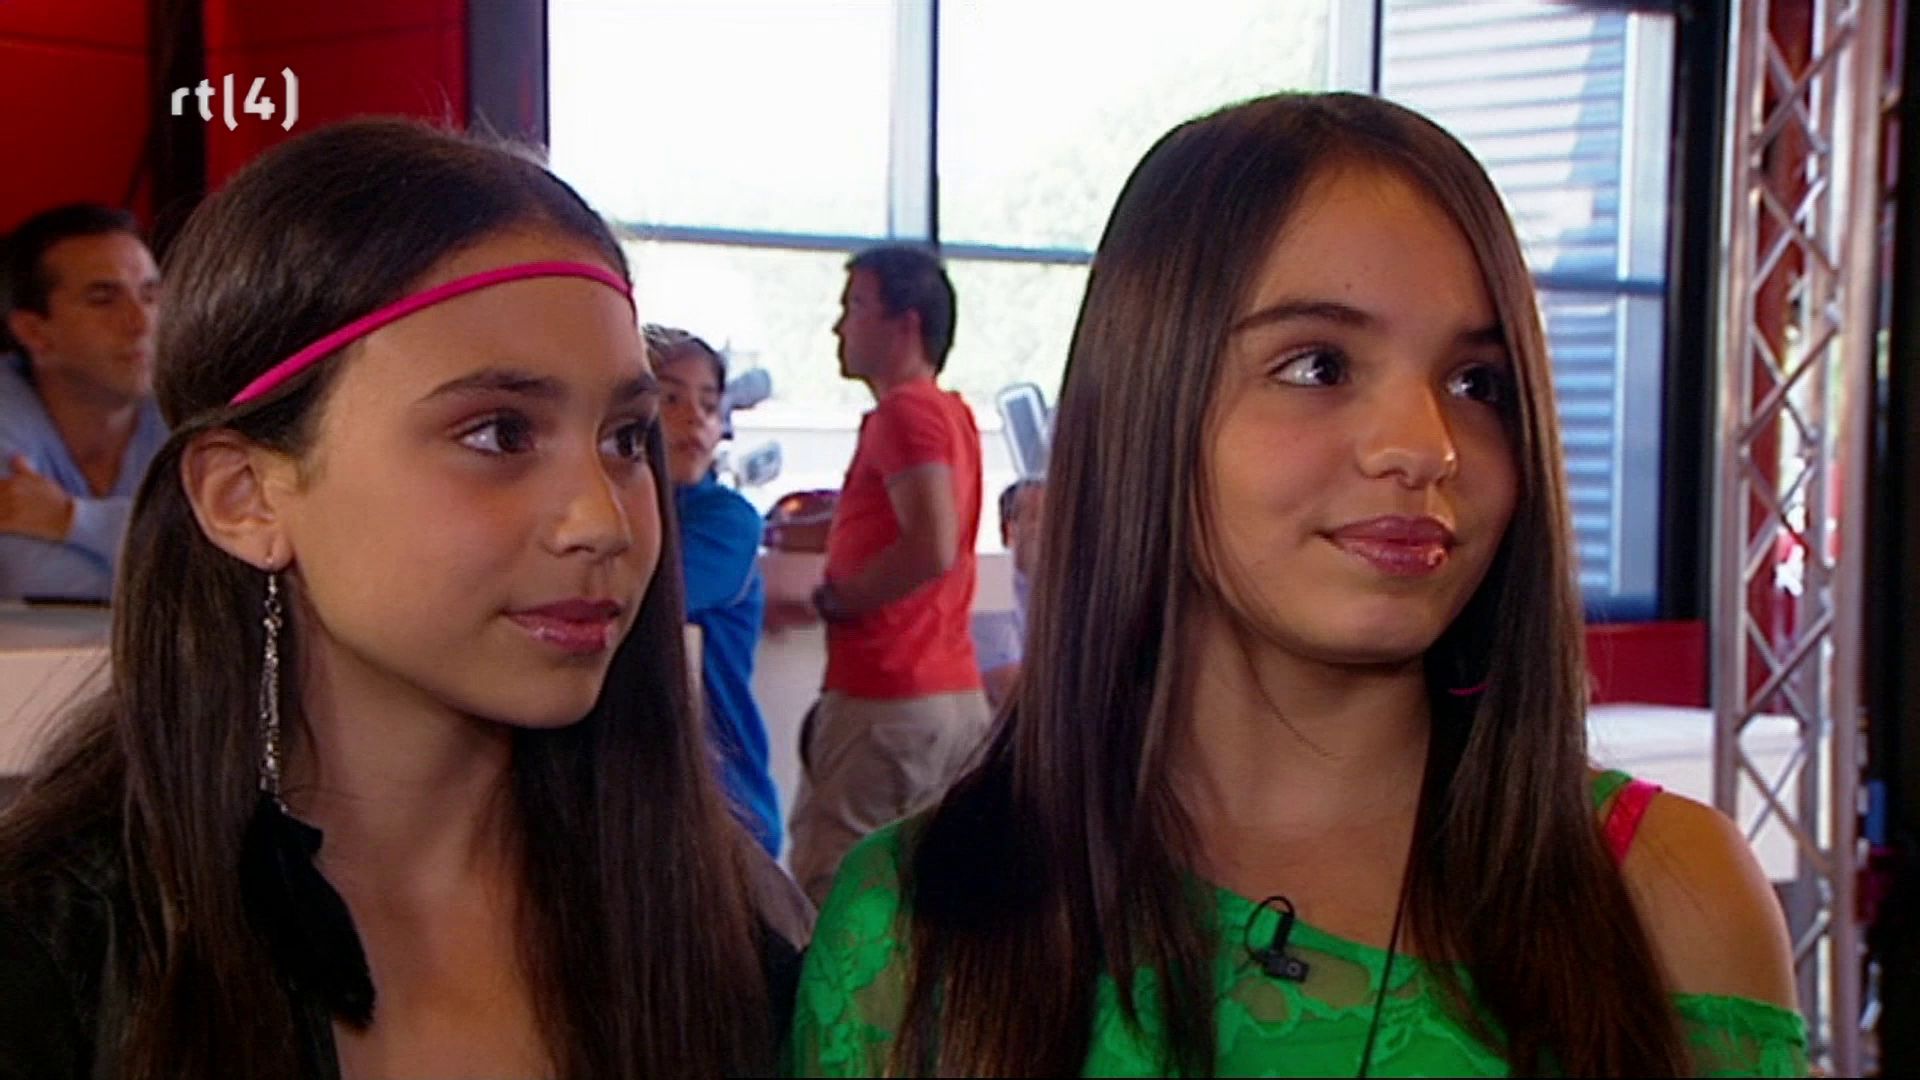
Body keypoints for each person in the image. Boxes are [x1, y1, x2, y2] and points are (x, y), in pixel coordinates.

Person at [790, 92, 1804, 1076]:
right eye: (1319, 366)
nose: (1425, 447)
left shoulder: (1670, 898)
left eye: (1477, 383)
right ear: (1147, 403)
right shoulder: (912, 926)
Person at [0, 119, 805, 1079]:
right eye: (500, 433)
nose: (603, 519)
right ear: (246, 496)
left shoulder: (728, 924)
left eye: (626, 438)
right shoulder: (57, 960)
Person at [770, 245, 990, 905]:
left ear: (906, 324)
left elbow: (931, 545)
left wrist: (841, 599)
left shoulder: (905, 413)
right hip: (947, 695)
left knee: (835, 896)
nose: (839, 326)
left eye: (856, 306)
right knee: (928, 902)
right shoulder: (950, 414)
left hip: (887, 699)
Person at [647, 323, 783, 858]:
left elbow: (638, 600)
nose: (695, 419)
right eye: (670, 399)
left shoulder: (726, 520)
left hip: (724, 804)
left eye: (708, 404)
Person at [0, 203, 166, 601]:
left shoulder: (197, 403)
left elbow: (245, 568)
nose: (141, 322)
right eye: (103, 299)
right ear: (34, 331)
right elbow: (27, 579)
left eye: (149, 295)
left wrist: (71, 519)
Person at [973, 478, 1043, 708]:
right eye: (1041, 520)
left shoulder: (1081, 590)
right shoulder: (989, 585)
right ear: (1010, 531)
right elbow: (1008, 690)